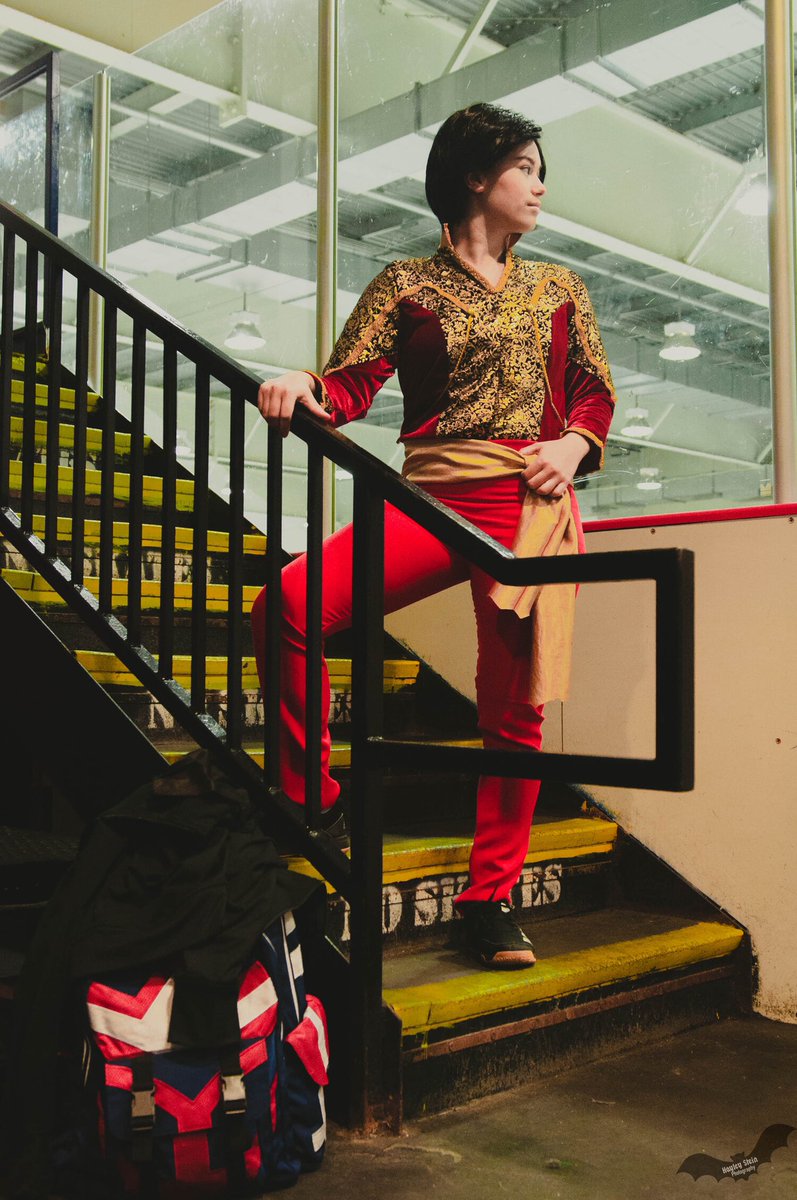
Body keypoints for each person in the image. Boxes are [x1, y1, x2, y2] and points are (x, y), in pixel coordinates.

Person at [252, 102, 616, 969]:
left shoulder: (560, 287)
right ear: (474, 176)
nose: (540, 186)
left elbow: (593, 390)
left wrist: (573, 444)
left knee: (513, 711)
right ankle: (313, 799)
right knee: (290, 604)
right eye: (525, 167)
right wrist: (300, 380)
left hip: (523, 508)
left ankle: (490, 897)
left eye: (540, 171)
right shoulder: (404, 282)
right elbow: (349, 385)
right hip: (429, 498)